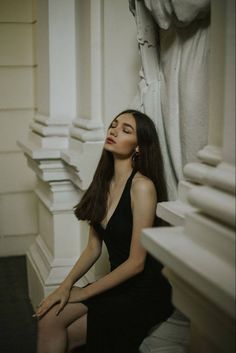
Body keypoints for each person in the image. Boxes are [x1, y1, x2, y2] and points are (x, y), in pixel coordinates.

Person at [35, 110, 173, 353]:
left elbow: (136, 263)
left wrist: (84, 292)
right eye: (114, 125)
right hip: (117, 284)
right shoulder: (103, 181)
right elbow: (93, 248)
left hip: (143, 292)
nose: (114, 131)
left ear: (139, 147)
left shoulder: (142, 187)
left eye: (126, 130)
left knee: (59, 328)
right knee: (49, 319)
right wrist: (65, 285)